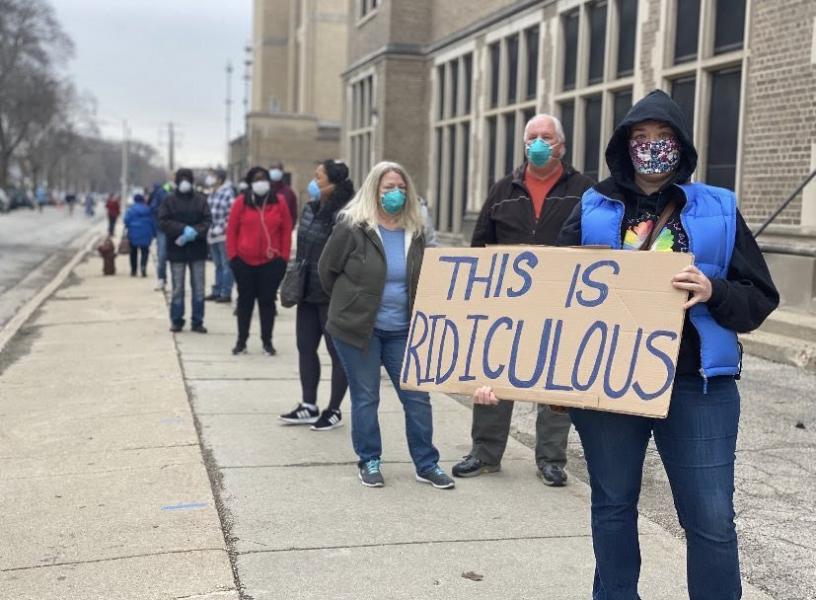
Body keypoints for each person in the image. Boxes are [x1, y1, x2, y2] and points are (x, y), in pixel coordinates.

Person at [474, 90, 778, 598]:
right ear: (624, 145)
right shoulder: (594, 207)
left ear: (680, 145)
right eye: (641, 138)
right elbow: (548, 295)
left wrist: (714, 289)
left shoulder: (719, 209)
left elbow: (760, 296)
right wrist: (498, 371)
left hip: (696, 386)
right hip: (610, 387)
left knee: (711, 518)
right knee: (613, 507)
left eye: (663, 138)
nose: (652, 147)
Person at [452, 113, 595, 487]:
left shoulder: (585, 190)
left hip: (560, 306)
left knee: (554, 385)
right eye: (532, 137)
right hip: (505, 308)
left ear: (561, 145)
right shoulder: (503, 190)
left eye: (546, 137)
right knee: (494, 379)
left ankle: (551, 458)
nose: (539, 143)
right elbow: (480, 244)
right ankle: (484, 453)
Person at [318, 161, 454, 490]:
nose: (395, 193)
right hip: (358, 330)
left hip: (404, 329)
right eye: (387, 187)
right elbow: (327, 271)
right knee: (366, 397)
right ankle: (369, 459)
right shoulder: (353, 226)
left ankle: (427, 463)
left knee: (417, 399)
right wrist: (353, 302)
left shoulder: (416, 229)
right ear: (373, 190)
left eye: (401, 187)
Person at [279, 160, 354, 431]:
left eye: (318, 176)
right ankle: (308, 405)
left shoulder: (347, 214)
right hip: (307, 292)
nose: (313, 180)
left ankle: (333, 409)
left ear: (332, 182)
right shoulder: (309, 210)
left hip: (333, 294)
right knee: (305, 347)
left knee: (338, 355)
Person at [226, 166, 292, 355]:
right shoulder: (241, 202)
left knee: (267, 303)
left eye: (263, 178)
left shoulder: (279, 202)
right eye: (256, 179)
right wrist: (233, 257)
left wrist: (283, 258)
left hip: (271, 263)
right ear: (250, 182)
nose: (260, 182)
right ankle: (241, 341)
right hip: (244, 262)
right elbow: (231, 231)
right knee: (244, 303)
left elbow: (286, 230)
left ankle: (267, 342)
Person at [158, 169, 212, 333]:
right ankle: (176, 320)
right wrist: (182, 229)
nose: (184, 182)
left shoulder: (201, 200)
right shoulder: (169, 201)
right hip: (177, 250)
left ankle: (197, 320)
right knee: (177, 288)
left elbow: (207, 220)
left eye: (187, 179)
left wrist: (195, 231)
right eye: (181, 179)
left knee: (199, 288)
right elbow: (163, 221)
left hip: (197, 249)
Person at [204, 169, 235, 303]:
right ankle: (217, 290)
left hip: (224, 235)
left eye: (212, 176)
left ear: (220, 179)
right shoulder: (212, 194)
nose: (209, 179)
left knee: (226, 265)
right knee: (217, 265)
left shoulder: (228, 193)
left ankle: (226, 292)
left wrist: (221, 227)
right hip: (212, 235)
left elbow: (231, 214)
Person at [123, 193, 157, 277]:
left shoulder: (131, 210)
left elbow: (126, 220)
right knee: (145, 251)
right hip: (146, 232)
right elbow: (153, 222)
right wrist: (154, 233)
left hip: (133, 233)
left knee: (133, 252)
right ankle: (143, 267)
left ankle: (133, 270)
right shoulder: (148, 210)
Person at [149, 182, 171, 291]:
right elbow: (153, 209)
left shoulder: (176, 192)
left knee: (171, 257)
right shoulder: (160, 193)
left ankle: (169, 280)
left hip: (175, 228)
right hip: (162, 228)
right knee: (162, 255)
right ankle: (162, 278)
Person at [269, 161, 298, 230]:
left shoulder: (289, 193)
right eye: (273, 169)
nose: (275, 171)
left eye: (278, 169)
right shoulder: (265, 190)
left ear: (282, 172)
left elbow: (293, 214)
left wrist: (289, 229)